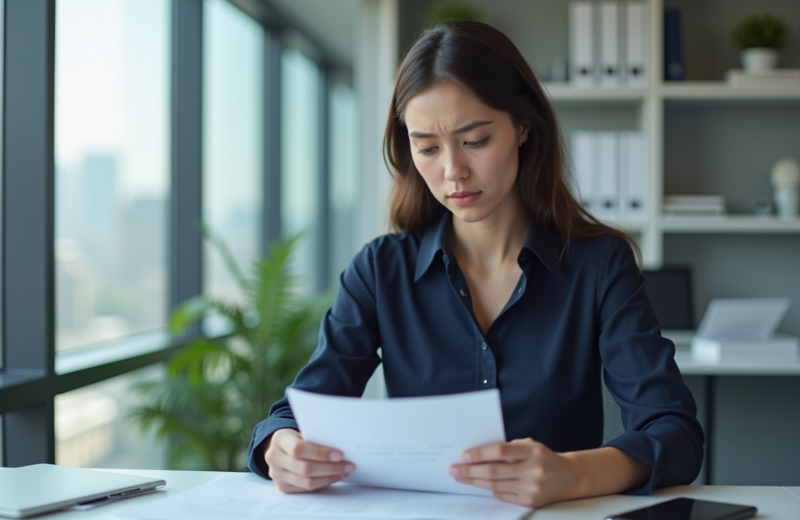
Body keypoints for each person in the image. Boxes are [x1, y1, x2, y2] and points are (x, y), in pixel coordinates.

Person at [246, 20, 703, 508]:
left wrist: (572, 474)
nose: (452, 171)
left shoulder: (599, 265)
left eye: (476, 141)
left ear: (524, 128)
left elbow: (674, 432)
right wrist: (282, 447)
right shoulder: (379, 271)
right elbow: (295, 413)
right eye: (427, 148)